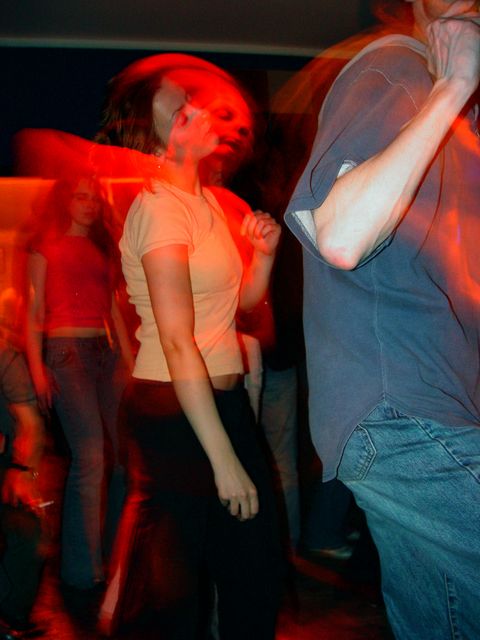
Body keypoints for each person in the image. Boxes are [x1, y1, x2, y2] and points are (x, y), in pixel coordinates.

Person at [284, 1, 480, 638]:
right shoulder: (399, 68)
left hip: (437, 406)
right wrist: (453, 85)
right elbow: (341, 235)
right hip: (399, 411)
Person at [97, 55, 282, 639]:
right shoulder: (159, 208)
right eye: (182, 112)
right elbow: (178, 342)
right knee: (173, 600)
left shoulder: (208, 203)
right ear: (157, 141)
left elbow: (239, 303)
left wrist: (264, 256)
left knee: (253, 569)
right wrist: (223, 460)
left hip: (221, 401)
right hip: (173, 410)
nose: (200, 112)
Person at [24, 176, 134, 591]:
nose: (89, 204)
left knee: (121, 458)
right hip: (67, 352)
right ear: (65, 201)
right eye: (80, 197)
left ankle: (112, 556)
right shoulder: (46, 246)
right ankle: (82, 570)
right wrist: (37, 369)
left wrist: (129, 360)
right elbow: (34, 312)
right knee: (90, 456)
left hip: (105, 354)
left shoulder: (101, 248)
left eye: (93, 198)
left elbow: (113, 309)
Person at [0, 327, 46, 638]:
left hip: (6, 466)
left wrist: (24, 471)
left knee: (29, 528)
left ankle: (10, 612)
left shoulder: (5, 357)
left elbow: (31, 424)